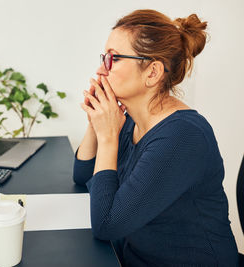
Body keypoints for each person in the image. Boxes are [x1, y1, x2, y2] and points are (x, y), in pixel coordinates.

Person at [73, 9, 238, 266]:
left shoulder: (183, 136)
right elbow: (83, 177)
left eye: (113, 59)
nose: (100, 69)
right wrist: (96, 123)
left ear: (152, 72)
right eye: (104, 57)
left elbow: (106, 224)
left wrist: (108, 137)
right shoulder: (131, 121)